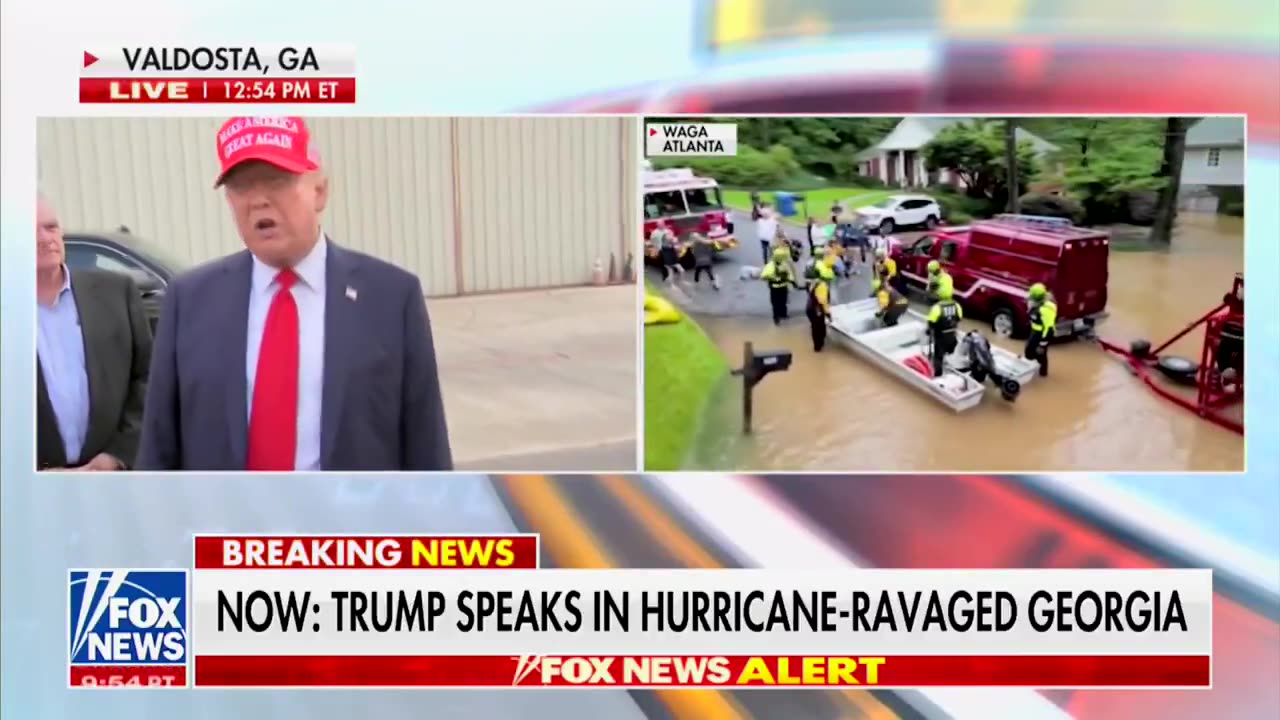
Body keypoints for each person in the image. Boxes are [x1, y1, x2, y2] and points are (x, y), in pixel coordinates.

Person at [137, 116, 452, 471]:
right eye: (241, 186)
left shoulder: (392, 297)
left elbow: (426, 445)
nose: (258, 201)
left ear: (320, 191)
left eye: (276, 180)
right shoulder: (189, 300)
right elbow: (158, 447)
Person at [36, 194, 153, 471]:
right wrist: (34, 470)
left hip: (113, 481)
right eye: (31, 232)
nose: (45, 239)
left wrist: (117, 456)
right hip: (30, 490)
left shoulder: (116, 293)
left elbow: (149, 379)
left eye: (51, 227)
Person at [926, 284, 964, 378]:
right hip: (952, 334)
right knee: (953, 351)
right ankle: (955, 369)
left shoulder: (937, 307)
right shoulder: (956, 305)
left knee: (938, 356)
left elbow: (931, 322)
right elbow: (959, 317)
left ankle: (938, 374)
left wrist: (930, 330)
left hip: (940, 336)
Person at [759, 245, 799, 325]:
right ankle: (776, 317)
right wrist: (773, 277)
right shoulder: (771, 266)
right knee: (775, 303)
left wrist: (793, 282)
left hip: (783, 286)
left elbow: (789, 273)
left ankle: (783, 314)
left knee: (783, 301)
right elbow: (763, 275)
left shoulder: (784, 264)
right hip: (775, 288)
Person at [1025, 282, 1058, 377]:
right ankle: (1034, 365)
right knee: (1028, 352)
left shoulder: (1047, 309)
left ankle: (1043, 373)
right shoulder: (1035, 304)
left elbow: (1048, 328)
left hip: (1043, 334)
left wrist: (1042, 344)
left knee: (1041, 353)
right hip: (1035, 331)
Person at [805, 257, 836, 352]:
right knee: (819, 328)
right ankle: (819, 346)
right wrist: (828, 313)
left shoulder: (812, 283)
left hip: (810, 308)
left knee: (815, 327)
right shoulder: (822, 285)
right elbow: (823, 301)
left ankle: (818, 345)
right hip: (817, 310)